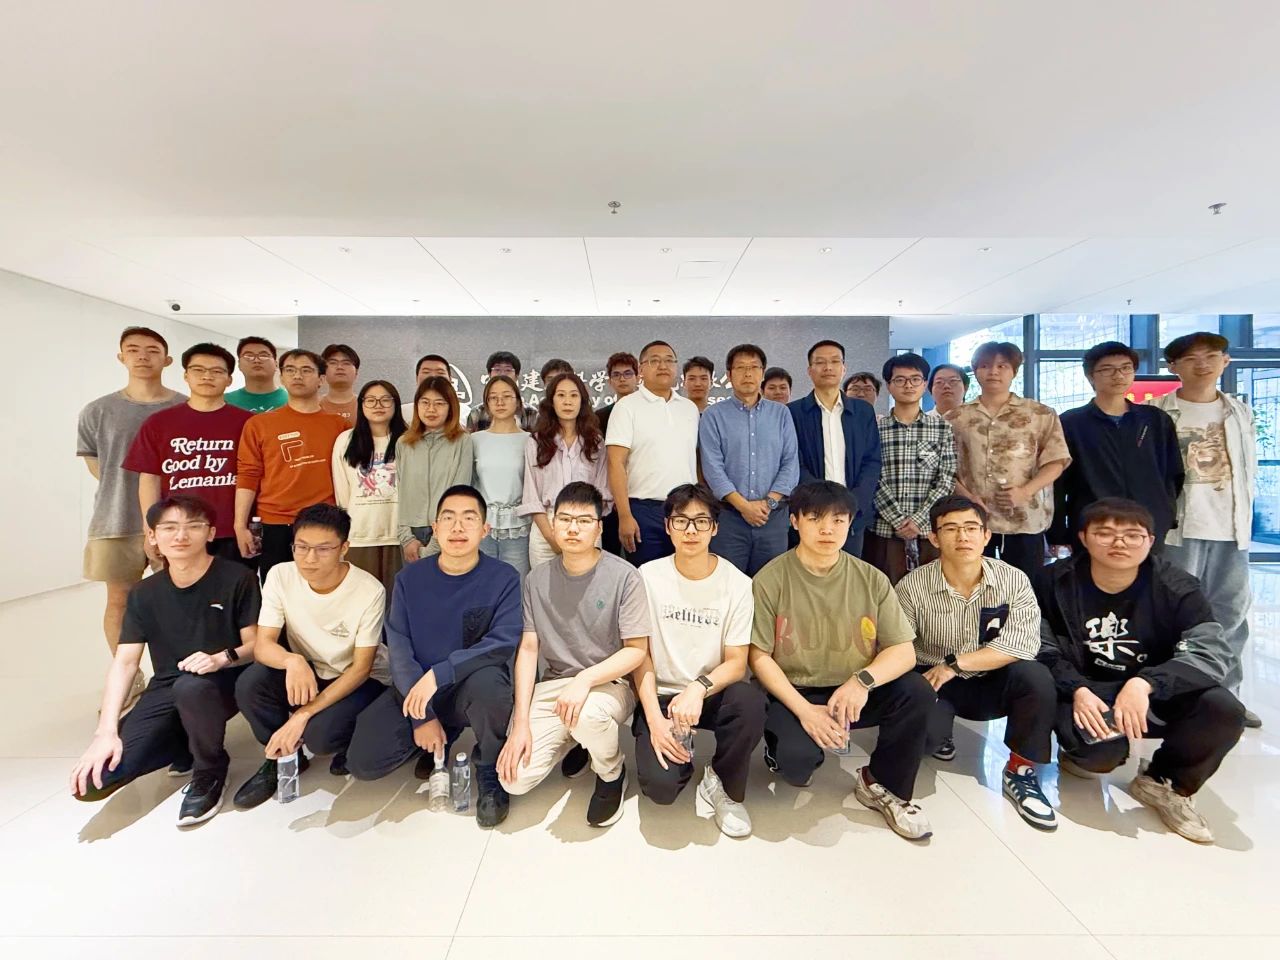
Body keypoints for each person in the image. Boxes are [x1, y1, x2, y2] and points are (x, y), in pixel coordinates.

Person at [1035, 498, 1245, 844]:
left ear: (1150, 541)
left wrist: (1146, 683)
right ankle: (1080, 752)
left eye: (1133, 535)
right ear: (1083, 537)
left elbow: (1211, 652)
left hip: (1154, 690)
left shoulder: (1178, 587)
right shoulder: (1052, 581)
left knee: (1223, 710)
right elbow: (1039, 646)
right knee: (1098, 756)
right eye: (1105, 533)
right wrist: (1076, 688)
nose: (1119, 543)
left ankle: (1164, 782)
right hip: (1087, 691)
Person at [748, 481, 933, 841]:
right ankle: (781, 744)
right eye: (815, 518)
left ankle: (882, 784)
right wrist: (804, 711)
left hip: (854, 689)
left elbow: (904, 651)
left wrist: (861, 681)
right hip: (797, 690)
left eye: (838, 520)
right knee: (797, 766)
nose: (827, 529)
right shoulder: (771, 578)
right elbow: (759, 657)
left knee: (917, 691)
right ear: (795, 522)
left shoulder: (871, 578)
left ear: (850, 524)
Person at [70, 495, 258, 827]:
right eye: (169, 528)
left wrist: (221, 659)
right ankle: (185, 741)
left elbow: (256, 645)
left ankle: (210, 769)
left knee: (191, 689)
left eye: (193, 526)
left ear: (211, 533)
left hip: (222, 680)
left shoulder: (237, 578)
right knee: (93, 782)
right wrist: (105, 732)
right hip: (167, 686)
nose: (181, 536)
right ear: (153, 536)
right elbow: (125, 663)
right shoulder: (144, 593)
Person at [896, 496, 1057, 831]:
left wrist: (955, 664)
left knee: (1036, 677)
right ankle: (942, 734)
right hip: (934, 679)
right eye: (951, 529)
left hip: (992, 678)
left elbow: (1023, 643)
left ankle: (1020, 771)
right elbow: (900, 646)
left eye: (971, 528)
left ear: (986, 535)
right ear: (934, 538)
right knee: (925, 739)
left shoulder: (1013, 580)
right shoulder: (912, 585)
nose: (963, 537)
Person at [497, 482, 650, 827]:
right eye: (565, 519)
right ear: (552, 525)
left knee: (588, 716)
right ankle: (577, 740)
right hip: (556, 685)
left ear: (599, 527)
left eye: (583, 521)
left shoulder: (625, 576)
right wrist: (520, 722)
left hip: (610, 683)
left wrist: (585, 680)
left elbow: (636, 651)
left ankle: (611, 772)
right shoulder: (536, 579)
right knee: (513, 778)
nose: (572, 528)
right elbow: (529, 649)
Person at [376, 484, 522, 827]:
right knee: (366, 761)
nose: (458, 527)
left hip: (468, 687)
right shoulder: (409, 579)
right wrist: (422, 717)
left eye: (469, 519)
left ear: (485, 530)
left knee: (491, 684)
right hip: (418, 691)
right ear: (435, 528)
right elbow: (399, 648)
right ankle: (441, 733)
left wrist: (440, 673)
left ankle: (489, 765)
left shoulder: (504, 578)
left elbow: (502, 641)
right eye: (448, 518)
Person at [232, 504, 394, 807]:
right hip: (309, 669)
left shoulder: (368, 590)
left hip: (360, 679)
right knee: (250, 684)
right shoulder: (281, 575)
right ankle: (280, 756)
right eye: (302, 547)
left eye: (323, 549)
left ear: (344, 548)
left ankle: (345, 736)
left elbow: (361, 668)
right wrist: (292, 661)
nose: (309, 558)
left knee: (320, 737)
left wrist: (303, 714)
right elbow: (263, 645)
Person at [631, 484, 765, 837]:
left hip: (711, 692)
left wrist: (698, 688)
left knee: (750, 701)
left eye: (701, 521)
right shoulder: (647, 577)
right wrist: (654, 719)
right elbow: (640, 657)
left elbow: (737, 662)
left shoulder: (737, 584)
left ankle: (722, 783)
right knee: (661, 790)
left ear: (715, 528)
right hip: (662, 696)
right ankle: (678, 758)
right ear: (668, 526)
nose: (691, 530)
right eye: (681, 521)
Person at [1149, 332, 1260, 728]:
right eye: (1190, 358)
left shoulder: (1239, 412)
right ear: (1173, 367)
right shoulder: (1157, 413)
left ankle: (1225, 699)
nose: (1202, 365)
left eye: (1211, 356)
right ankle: (1169, 698)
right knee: (1172, 613)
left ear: (1226, 362)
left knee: (1231, 614)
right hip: (1179, 528)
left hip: (1232, 528)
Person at [77, 326, 185, 708]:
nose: (142, 356)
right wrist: (126, 492)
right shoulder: (97, 410)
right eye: (133, 349)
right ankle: (129, 677)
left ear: (167, 360)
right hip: (115, 519)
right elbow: (96, 464)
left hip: (174, 522)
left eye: (152, 350)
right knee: (119, 600)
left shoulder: (183, 407)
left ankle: (175, 675)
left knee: (177, 600)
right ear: (121, 357)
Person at [945, 341, 1070, 579]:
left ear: (1014, 371)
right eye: (985, 366)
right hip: (973, 519)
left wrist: (1026, 491)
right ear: (975, 371)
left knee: (1025, 585)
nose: (993, 372)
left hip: (1024, 518)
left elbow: (1057, 461)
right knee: (973, 583)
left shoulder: (1040, 414)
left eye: (1002, 366)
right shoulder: (955, 417)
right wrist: (967, 497)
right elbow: (943, 469)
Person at [125, 342, 252, 567]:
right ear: (186, 375)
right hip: (178, 529)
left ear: (229, 379)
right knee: (180, 588)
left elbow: (255, 476)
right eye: (198, 370)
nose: (207, 376)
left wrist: (245, 526)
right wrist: (150, 528)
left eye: (217, 371)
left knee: (236, 588)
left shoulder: (249, 423)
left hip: (232, 531)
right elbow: (150, 478)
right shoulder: (159, 423)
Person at [1053, 341, 1183, 549]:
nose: (1118, 375)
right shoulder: (1070, 422)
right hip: (1094, 523)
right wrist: (1058, 533)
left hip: (1147, 524)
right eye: (1107, 369)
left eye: (1125, 368)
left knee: (1148, 570)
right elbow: (1058, 482)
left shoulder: (1155, 420)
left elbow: (1172, 474)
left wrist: (1165, 514)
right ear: (1090, 376)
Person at [234, 348, 348, 581]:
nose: (297, 376)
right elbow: (248, 474)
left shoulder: (340, 426)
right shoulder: (259, 424)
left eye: (306, 370)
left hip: (323, 522)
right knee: (277, 590)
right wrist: (239, 524)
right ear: (282, 377)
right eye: (290, 370)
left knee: (323, 588)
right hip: (274, 522)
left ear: (321, 379)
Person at [698, 343, 799, 574]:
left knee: (771, 583)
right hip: (729, 518)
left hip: (773, 517)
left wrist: (768, 503)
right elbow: (712, 467)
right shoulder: (713, 415)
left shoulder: (781, 413)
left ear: (762, 373)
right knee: (728, 582)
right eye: (741, 367)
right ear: (729, 374)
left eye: (754, 367)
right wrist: (743, 506)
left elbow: (790, 463)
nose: (747, 373)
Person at [864, 352, 957, 584]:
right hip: (885, 531)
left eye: (915, 379)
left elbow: (946, 479)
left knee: (929, 592)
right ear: (889, 385)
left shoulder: (942, 428)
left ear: (925, 385)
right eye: (900, 379)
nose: (908, 385)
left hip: (928, 531)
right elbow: (871, 477)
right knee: (885, 593)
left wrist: (919, 520)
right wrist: (897, 520)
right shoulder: (875, 429)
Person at [606, 340, 701, 566]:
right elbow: (615, 463)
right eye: (655, 361)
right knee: (647, 578)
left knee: (687, 575)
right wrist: (625, 516)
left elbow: (696, 460)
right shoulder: (626, 407)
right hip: (643, 511)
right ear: (641, 369)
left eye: (669, 360)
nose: (663, 366)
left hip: (686, 509)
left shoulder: (689, 408)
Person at [788, 340, 881, 556]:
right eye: (820, 362)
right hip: (810, 511)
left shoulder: (863, 412)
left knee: (848, 570)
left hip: (852, 514)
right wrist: (820, 501)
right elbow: (794, 462)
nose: (828, 367)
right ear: (810, 370)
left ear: (843, 368)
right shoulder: (793, 412)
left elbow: (872, 460)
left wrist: (853, 503)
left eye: (834, 361)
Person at [519, 372, 610, 569]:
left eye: (574, 395)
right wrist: (551, 537)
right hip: (547, 527)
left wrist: (585, 523)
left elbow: (602, 493)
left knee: (587, 585)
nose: (567, 401)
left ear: (582, 401)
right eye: (561, 395)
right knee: (544, 586)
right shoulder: (536, 442)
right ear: (551, 401)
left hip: (587, 524)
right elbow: (531, 495)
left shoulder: (595, 442)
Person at [331, 380, 407, 597]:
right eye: (371, 400)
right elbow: (342, 493)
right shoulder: (346, 441)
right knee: (361, 600)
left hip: (400, 536)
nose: (378, 405)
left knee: (398, 602)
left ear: (396, 404)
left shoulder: (409, 439)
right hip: (360, 535)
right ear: (361, 405)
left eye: (385, 400)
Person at [396, 376, 474, 562]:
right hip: (411, 534)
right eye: (425, 402)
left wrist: (436, 541)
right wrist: (406, 538)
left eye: (439, 403)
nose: (431, 409)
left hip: (449, 531)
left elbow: (459, 492)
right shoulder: (404, 443)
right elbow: (400, 491)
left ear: (451, 407)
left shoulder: (462, 441)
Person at [472, 375, 532, 579]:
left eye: (506, 396)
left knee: (516, 584)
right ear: (486, 403)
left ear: (518, 401)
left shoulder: (530, 441)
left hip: (519, 527)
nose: (500, 402)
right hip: (482, 527)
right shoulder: (474, 440)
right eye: (493, 397)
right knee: (482, 585)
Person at [596, 351, 639, 554]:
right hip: (609, 499)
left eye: (628, 373)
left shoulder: (648, 412)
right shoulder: (599, 417)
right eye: (616, 374)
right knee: (609, 555)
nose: (622, 379)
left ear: (638, 377)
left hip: (641, 496)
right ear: (609, 381)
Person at [466, 351, 539, 432]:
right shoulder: (477, 413)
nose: (502, 374)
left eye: (508, 370)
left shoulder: (530, 413)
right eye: (497, 369)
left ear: (516, 376)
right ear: (489, 374)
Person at [226, 336, 288, 414]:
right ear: (239, 364)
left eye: (264, 356)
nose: (256, 360)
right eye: (248, 356)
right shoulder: (224, 401)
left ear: (276, 364)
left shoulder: (292, 401)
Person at [402, 354, 472, 422]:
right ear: (417, 378)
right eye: (426, 372)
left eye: (440, 373)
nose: (433, 376)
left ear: (450, 380)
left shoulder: (465, 412)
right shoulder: (403, 412)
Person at [319, 343, 361, 425]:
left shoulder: (367, 406)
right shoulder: (313, 406)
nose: (339, 367)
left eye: (346, 363)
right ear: (323, 372)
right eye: (333, 362)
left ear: (356, 373)